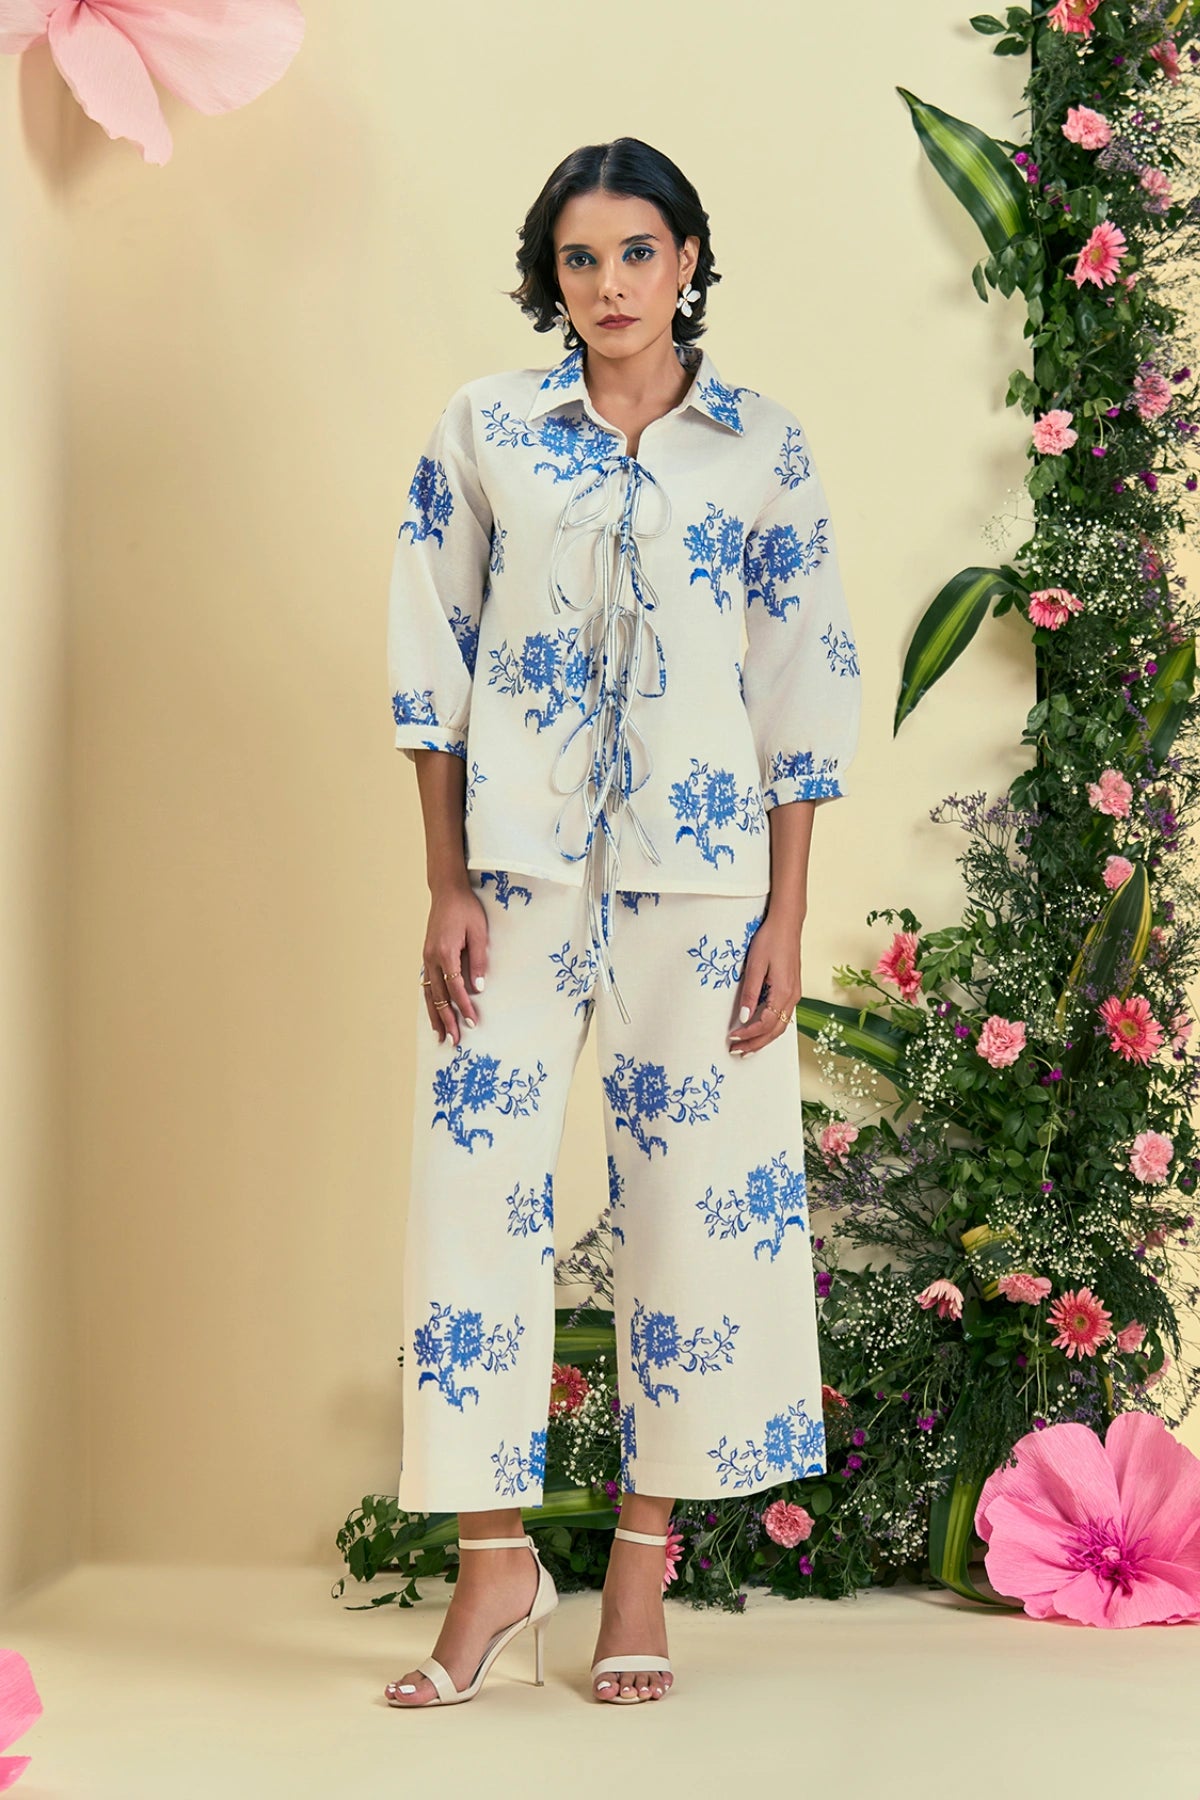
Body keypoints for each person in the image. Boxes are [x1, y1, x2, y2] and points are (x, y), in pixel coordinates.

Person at [382, 136, 862, 1709]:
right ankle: (494, 1565)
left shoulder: (761, 446)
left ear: (687, 260)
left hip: (704, 885)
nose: (608, 286)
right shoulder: (486, 430)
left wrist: (789, 910)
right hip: (514, 880)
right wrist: (446, 881)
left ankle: (644, 1564)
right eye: (580, 260)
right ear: (554, 276)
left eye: (637, 253)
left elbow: (800, 684)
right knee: (474, 1199)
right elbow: (434, 664)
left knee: (694, 1210)